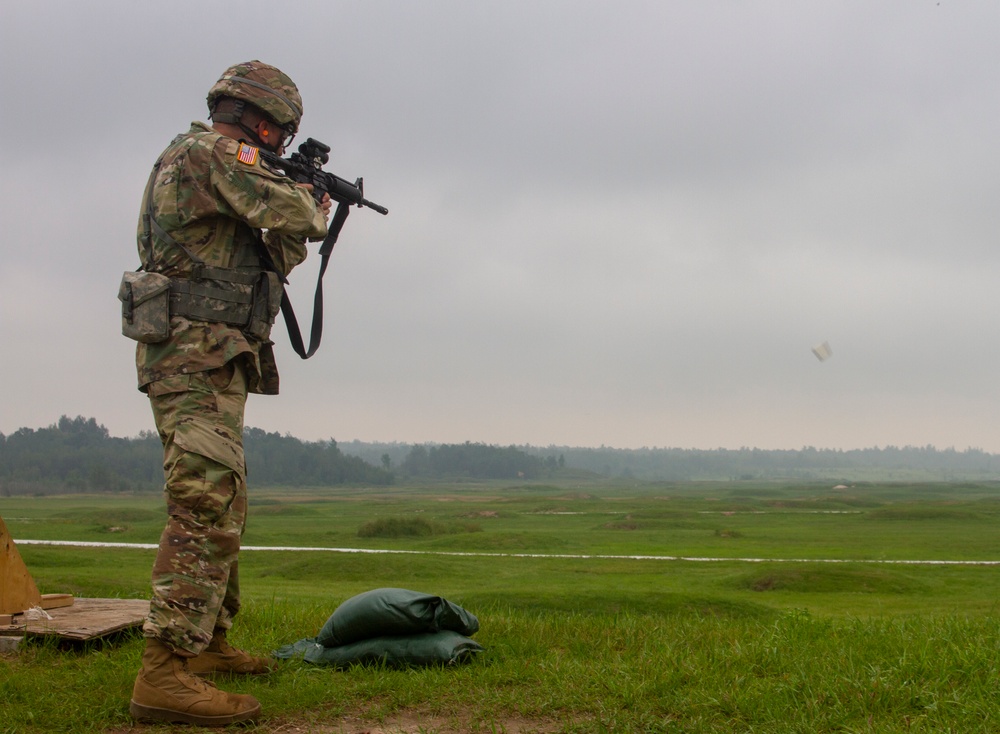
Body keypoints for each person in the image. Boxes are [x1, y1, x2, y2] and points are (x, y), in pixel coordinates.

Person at [127, 60, 331, 726]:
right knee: (202, 503)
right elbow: (294, 211)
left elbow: (266, 256)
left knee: (225, 499)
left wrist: (304, 218)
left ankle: (206, 642)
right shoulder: (209, 152)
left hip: (213, 356)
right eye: (277, 131)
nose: (276, 143)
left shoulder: (217, 168)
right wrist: (311, 204)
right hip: (194, 357)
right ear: (258, 119)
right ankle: (163, 673)